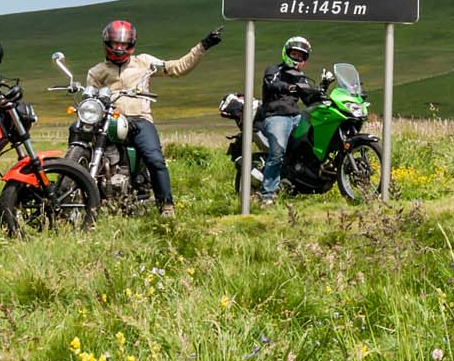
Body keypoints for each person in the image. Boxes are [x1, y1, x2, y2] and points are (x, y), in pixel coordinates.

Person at [86, 19, 222, 216]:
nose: (119, 48)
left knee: (155, 159)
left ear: (131, 44)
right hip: (109, 120)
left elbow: (176, 68)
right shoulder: (97, 71)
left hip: (139, 119)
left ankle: (166, 206)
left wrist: (203, 46)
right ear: (107, 43)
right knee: (81, 135)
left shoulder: (144, 62)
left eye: (123, 44)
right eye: (115, 43)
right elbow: (90, 97)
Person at [255, 35, 322, 202]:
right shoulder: (274, 70)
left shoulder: (301, 76)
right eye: (294, 54)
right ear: (287, 53)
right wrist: (290, 87)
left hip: (296, 116)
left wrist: (321, 89)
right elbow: (271, 83)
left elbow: (309, 98)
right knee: (277, 153)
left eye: (301, 55)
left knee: (315, 139)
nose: (297, 57)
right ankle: (267, 195)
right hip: (276, 115)